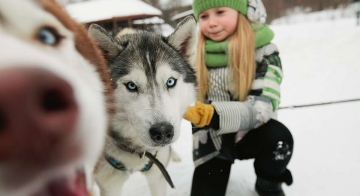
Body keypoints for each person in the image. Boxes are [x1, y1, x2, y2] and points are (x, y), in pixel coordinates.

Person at [184, 0, 294, 196]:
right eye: (204, 16)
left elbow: (264, 105)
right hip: (212, 137)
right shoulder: (192, 54)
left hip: (252, 132)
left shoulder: (264, 51)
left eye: (220, 12)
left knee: (280, 140)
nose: (212, 22)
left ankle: (268, 182)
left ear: (242, 13)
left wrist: (213, 113)